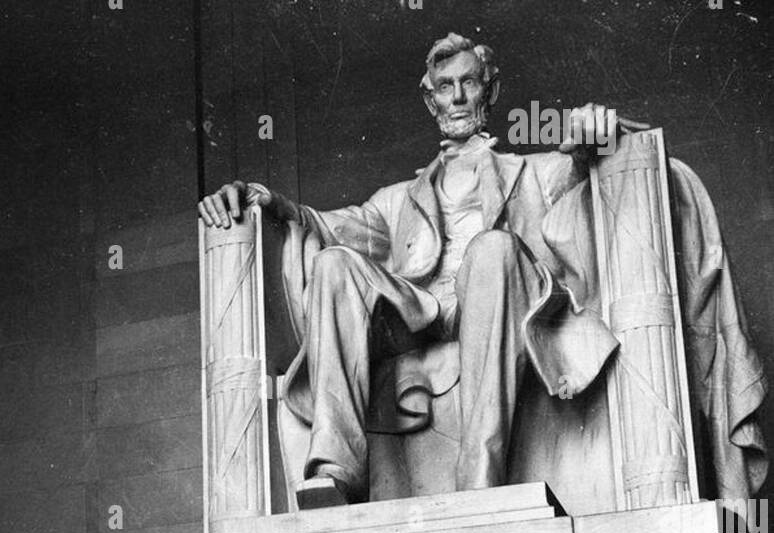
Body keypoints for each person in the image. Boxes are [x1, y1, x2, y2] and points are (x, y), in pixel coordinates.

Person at [197, 31, 624, 508]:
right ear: (431, 98)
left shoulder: (534, 171)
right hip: (419, 314)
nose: (458, 96)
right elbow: (326, 225)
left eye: (469, 83)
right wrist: (268, 200)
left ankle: (480, 476)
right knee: (334, 263)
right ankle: (336, 468)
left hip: (496, 299)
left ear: (492, 90)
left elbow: (581, 173)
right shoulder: (398, 200)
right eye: (445, 86)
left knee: (493, 250)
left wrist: (595, 136)